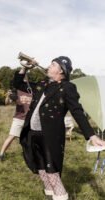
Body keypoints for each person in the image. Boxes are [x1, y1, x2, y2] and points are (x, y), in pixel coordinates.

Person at [14, 56, 105, 200]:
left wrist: (92, 136)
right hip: (32, 133)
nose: (49, 66)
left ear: (61, 70)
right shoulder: (43, 84)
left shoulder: (67, 87)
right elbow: (18, 84)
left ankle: (61, 196)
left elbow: (77, 111)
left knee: (52, 172)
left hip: (49, 137)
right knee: (42, 170)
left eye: (53, 64)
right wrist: (24, 68)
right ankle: (50, 196)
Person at [0, 82, 32, 161]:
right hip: (19, 119)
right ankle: (1, 154)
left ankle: (31, 155)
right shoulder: (17, 92)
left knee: (31, 138)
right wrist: (7, 95)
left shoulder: (32, 91)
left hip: (30, 119)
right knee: (12, 136)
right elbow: (7, 103)